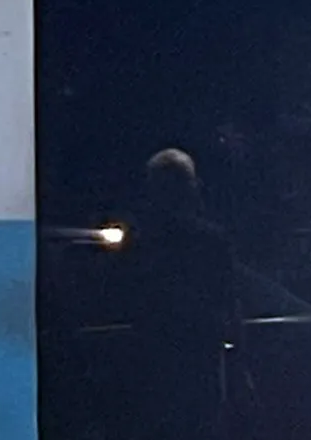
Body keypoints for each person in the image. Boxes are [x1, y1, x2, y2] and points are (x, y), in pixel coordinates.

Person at [121, 148, 239, 440]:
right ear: (191, 187)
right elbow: (229, 301)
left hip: (152, 363)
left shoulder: (139, 244)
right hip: (196, 359)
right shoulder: (211, 242)